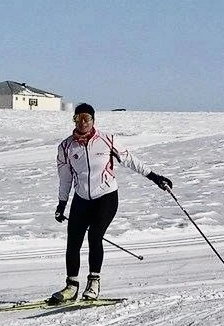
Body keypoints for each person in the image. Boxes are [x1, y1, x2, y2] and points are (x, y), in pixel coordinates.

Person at [51, 103, 173, 303]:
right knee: (73, 241)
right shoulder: (66, 147)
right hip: (81, 199)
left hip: (106, 197)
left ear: (93, 121)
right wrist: (61, 204)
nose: (83, 122)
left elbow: (130, 160)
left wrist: (154, 177)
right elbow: (64, 178)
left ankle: (93, 282)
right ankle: (71, 286)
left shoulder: (107, 140)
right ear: (74, 120)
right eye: (79, 118)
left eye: (87, 118)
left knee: (94, 236)